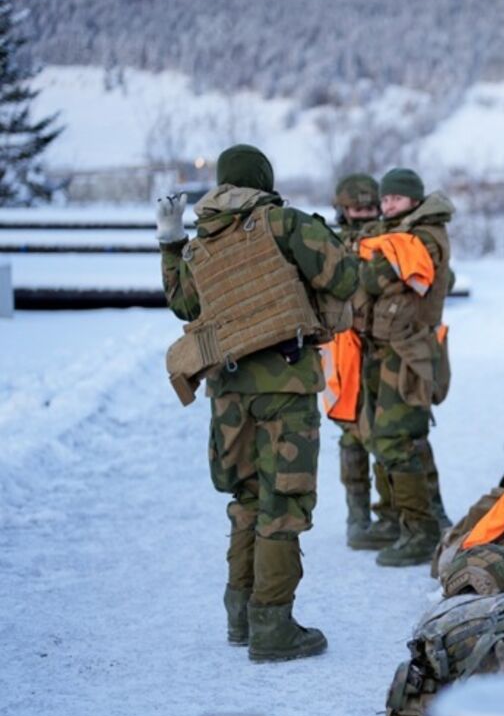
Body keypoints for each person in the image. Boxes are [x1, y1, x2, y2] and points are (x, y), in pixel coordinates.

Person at [157, 144, 358, 662]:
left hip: (227, 392)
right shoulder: (284, 223)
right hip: (285, 385)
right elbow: (344, 277)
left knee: (246, 499)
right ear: (264, 181)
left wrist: (171, 243)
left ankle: (240, 615)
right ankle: (273, 626)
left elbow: (184, 304)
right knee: (283, 503)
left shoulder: (203, 241)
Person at [353, 167, 455, 566]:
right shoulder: (393, 234)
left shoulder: (424, 235)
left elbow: (372, 275)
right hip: (383, 347)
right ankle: (403, 517)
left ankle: (421, 532)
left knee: (397, 437)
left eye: (395, 198)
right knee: (389, 435)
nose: (387, 204)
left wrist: (369, 265)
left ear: (414, 199)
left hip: (408, 350)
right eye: (385, 199)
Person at [322, 173, 396, 550]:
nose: (365, 215)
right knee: (351, 433)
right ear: (343, 210)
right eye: (357, 209)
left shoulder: (393, 241)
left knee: (388, 433)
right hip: (344, 351)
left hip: (385, 350)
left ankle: (391, 515)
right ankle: (357, 515)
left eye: (371, 208)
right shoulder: (329, 244)